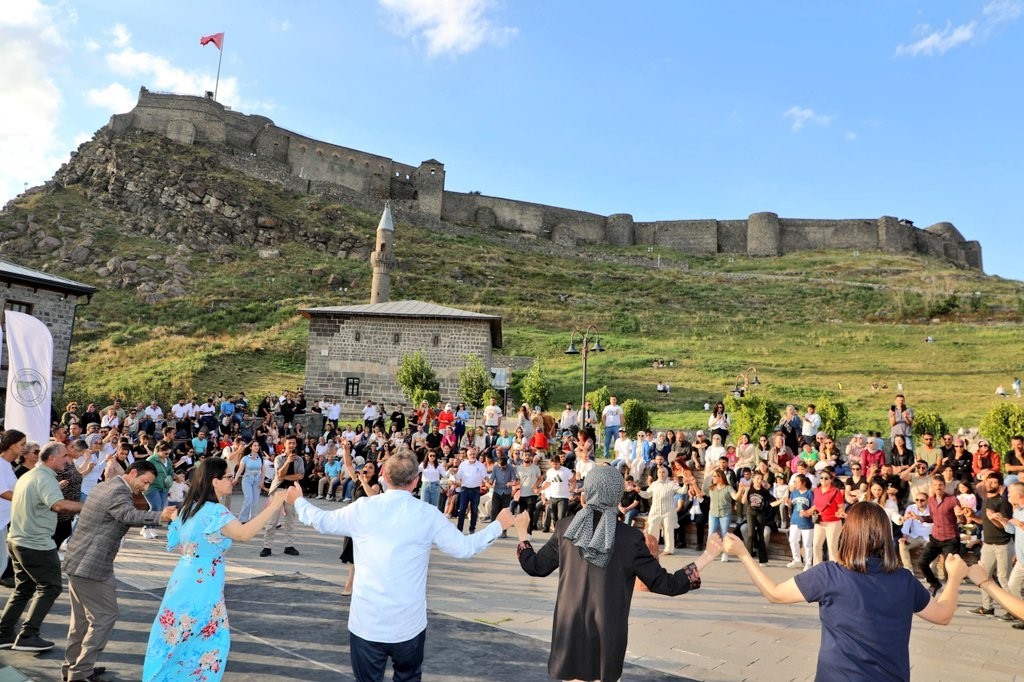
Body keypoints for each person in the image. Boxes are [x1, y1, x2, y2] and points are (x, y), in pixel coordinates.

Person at [291, 452, 514, 681]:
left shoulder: (363, 509)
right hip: (408, 627)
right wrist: (498, 525)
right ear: (416, 480)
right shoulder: (427, 515)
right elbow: (464, 548)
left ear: (384, 476)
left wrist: (298, 499)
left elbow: (321, 521)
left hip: (367, 624)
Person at [514, 466, 723, 682]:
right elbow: (666, 584)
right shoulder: (629, 538)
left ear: (589, 490)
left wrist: (522, 534)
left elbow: (535, 566)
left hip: (569, 628)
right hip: (607, 632)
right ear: (617, 494)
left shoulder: (566, 527)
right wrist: (706, 556)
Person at [723, 502, 967, 682]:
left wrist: (744, 554)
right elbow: (943, 614)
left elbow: (774, 593)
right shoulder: (904, 580)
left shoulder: (830, 575)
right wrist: (954, 576)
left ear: (849, 533)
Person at [143, 458, 287, 681]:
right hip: (202, 586)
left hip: (182, 580)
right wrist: (275, 506)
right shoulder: (215, 511)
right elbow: (243, 534)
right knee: (210, 641)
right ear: (215, 482)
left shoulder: (188, 507)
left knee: (175, 638)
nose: (233, 481)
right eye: (228, 477)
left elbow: (176, 538)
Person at [62, 461, 177, 682]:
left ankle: (73, 668)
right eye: (144, 482)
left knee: (81, 622)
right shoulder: (117, 490)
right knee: (105, 616)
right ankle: (79, 673)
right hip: (91, 566)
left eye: (149, 485)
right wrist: (161, 516)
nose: (145, 487)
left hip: (80, 562)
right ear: (133, 473)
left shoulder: (107, 485)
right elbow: (127, 515)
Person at [0, 442, 83, 652]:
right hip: (35, 544)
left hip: (17, 541)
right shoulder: (45, 478)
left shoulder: (30, 475)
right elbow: (59, 505)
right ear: (51, 458)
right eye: (65, 455)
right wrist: (91, 507)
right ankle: (28, 635)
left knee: (24, 588)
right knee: (51, 587)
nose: (68, 459)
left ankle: (3, 633)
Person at [961, 472, 1014, 617]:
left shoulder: (1003, 503)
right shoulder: (985, 501)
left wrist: (993, 518)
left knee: (1004, 578)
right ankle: (987, 607)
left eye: (994, 482)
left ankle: (1013, 610)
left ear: (1000, 485)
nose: (990, 485)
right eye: (988, 482)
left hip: (1002, 544)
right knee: (983, 576)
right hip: (988, 544)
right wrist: (972, 516)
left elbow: (1006, 526)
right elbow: (984, 522)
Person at [259, 433, 304, 557]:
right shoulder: (279, 458)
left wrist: (284, 476)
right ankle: (267, 546)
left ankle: (289, 546)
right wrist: (288, 461)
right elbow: (279, 475)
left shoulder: (299, 460)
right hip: (279, 490)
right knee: (272, 520)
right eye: (289, 443)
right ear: (284, 445)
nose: (292, 445)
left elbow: (300, 475)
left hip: (292, 491)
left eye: (294, 443)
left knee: (290, 519)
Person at [637, 465, 685, 555]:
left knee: (668, 530)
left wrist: (686, 484)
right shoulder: (654, 484)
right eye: (659, 472)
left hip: (668, 511)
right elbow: (647, 494)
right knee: (652, 529)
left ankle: (669, 550)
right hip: (655, 511)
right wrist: (639, 491)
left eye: (663, 472)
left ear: (666, 474)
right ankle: (651, 548)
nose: (661, 474)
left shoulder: (671, 484)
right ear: (657, 474)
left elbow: (682, 491)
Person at [232, 441, 265, 522]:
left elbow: (263, 471)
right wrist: (236, 478)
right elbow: (240, 469)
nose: (257, 447)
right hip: (247, 479)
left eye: (258, 445)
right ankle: (242, 519)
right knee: (248, 500)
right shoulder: (245, 458)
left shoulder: (261, 458)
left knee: (254, 501)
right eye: (255, 445)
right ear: (250, 447)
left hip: (257, 480)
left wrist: (262, 482)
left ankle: (251, 519)